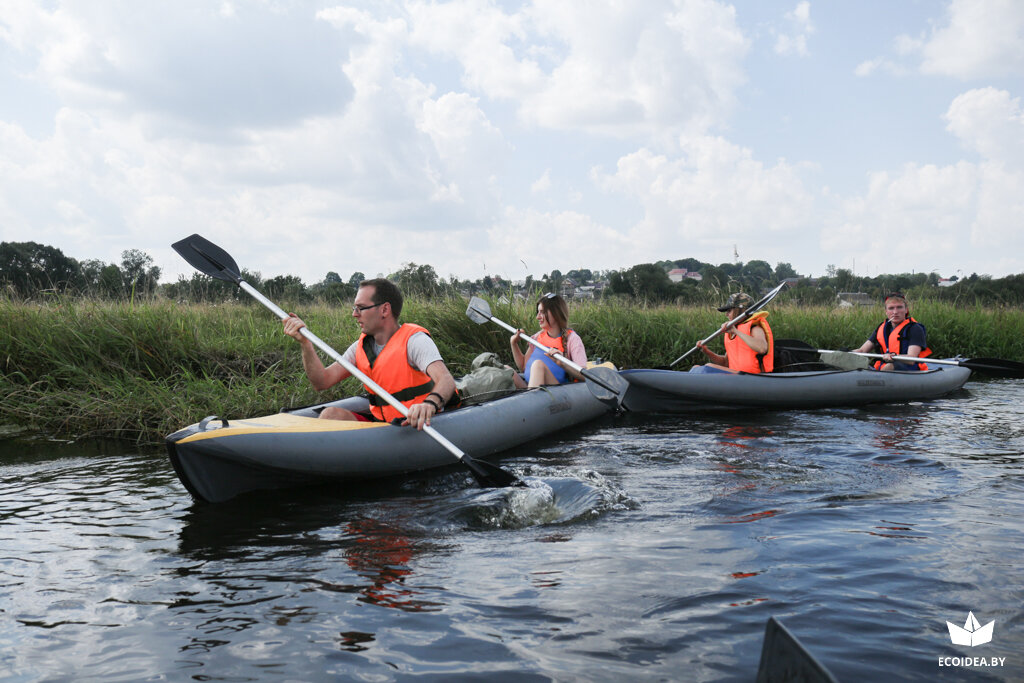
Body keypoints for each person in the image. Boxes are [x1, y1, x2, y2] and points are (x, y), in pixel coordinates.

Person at [282, 278, 456, 430]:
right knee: (330, 414)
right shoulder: (360, 347)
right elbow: (322, 381)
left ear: (385, 310)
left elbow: (446, 380)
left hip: (415, 422)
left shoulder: (415, 341)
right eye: (354, 308)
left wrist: (429, 404)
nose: (354, 314)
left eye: (361, 308)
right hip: (382, 423)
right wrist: (306, 344)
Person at [509, 292, 588, 388]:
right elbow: (523, 367)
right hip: (531, 389)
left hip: (558, 392)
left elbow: (585, 376)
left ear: (555, 313)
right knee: (507, 371)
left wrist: (563, 364)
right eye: (538, 312)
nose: (538, 317)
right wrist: (514, 343)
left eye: (542, 312)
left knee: (538, 366)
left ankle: (529, 400)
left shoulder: (572, 339)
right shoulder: (537, 337)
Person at [694, 292, 774, 373]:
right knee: (696, 367)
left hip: (752, 377)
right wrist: (707, 351)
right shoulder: (734, 331)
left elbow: (762, 348)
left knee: (708, 367)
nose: (726, 314)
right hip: (735, 377)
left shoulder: (755, 328)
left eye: (729, 311)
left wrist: (736, 331)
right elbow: (725, 363)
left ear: (739, 310)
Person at [855, 292, 932, 371]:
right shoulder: (882, 328)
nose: (895, 312)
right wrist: (847, 353)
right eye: (891, 308)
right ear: (886, 311)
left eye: (899, 307)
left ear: (906, 310)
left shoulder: (915, 328)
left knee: (890, 366)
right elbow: (862, 350)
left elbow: (911, 359)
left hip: (909, 367)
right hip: (884, 367)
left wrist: (894, 356)